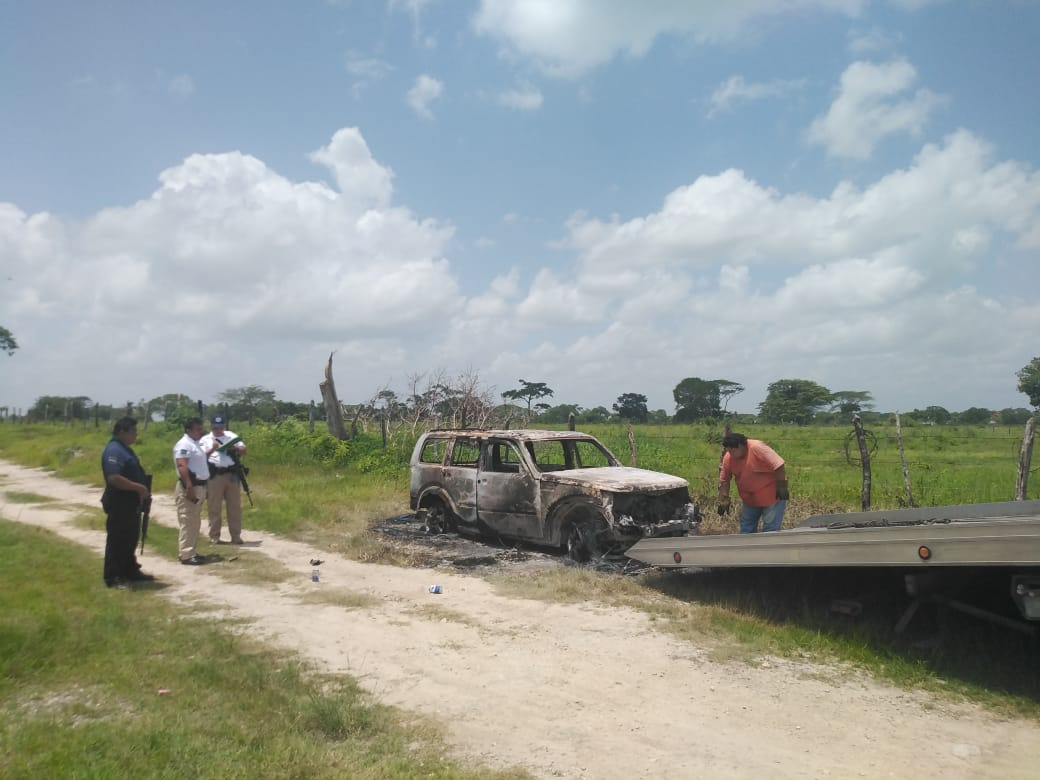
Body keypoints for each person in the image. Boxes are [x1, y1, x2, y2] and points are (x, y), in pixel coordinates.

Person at [100, 416, 154, 588]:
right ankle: (114, 576)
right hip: (119, 501)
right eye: (133, 431)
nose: (135, 435)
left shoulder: (125, 449)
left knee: (130, 537)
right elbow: (114, 478)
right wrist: (138, 487)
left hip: (131, 503)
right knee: (118, 539)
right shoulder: (114, 450)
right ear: (122, 432)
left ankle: (130, 570)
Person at [716, 432, 789, 534]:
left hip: (772, 497)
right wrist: (724, 500)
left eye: (732, 450)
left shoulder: (757, 447)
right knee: (746, 528)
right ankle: (747, 549)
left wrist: (782, 489)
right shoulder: (729, 457)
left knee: (770, 529)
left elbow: (779, 465)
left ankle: (769, 549)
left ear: (742, 446)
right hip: (750, 499)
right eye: (728, 451)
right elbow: (725, 480)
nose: (730, 454)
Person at [173, 417, 217, 565]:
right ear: (188, 430)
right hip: (190, 486)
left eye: (201, 428)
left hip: (200, 486)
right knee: (188, 520)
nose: (201, 431)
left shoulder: (195, 444)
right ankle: (185, 554)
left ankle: (191, 551)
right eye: (197, 429)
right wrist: (189, 487)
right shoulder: (184, 444)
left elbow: (199, 461)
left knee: (194, 521)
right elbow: (182, 465)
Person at [200, 414, 248, 544]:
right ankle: (214, 536)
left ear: (224, 426)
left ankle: (236, 536)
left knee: (234, 507)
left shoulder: (231, 436)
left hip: (231, 474)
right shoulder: (205, 439)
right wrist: (212, 449)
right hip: (215, 475)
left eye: (220, 427)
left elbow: (244, 450)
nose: (218, 430)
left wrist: (234, 448)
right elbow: (201, 457)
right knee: (214, 507)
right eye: (215, 427)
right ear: (211, 427)